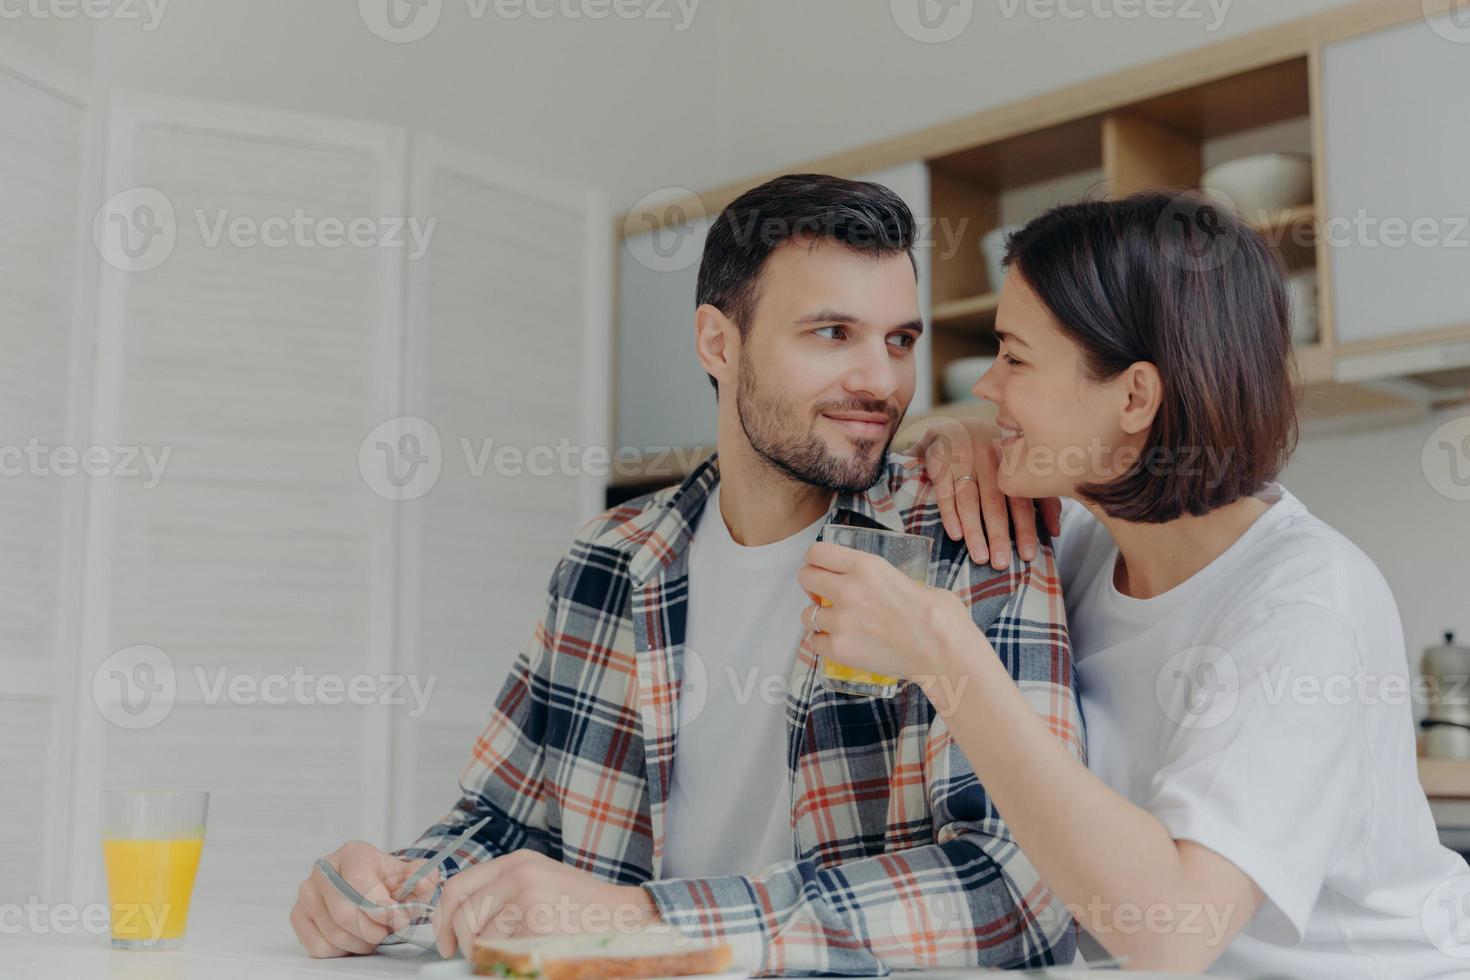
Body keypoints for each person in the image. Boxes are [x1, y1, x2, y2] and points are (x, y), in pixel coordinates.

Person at [289, 173, 1085, 973]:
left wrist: (648, 920)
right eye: (832, 334)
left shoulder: (970, 536)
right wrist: (386, 890)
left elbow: (1016, 891)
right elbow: (503, 827)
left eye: (900, 341)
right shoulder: (607, 557)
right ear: (718, 342)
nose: (881, 382)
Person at [806, 191, 1470, 976]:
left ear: (1134, 397)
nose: (987, 386)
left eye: (1015, 358)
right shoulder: (1087, 547)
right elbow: (934, 437)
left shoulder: (1304, 604)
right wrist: (952, 438)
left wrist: (948, 657)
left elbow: (1173, 931)